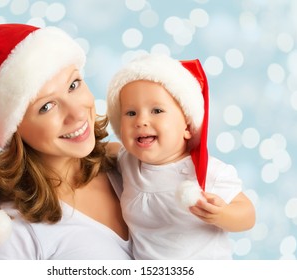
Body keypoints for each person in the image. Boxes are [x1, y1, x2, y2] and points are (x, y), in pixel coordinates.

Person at [0, 23, 132, 260]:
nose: (77, 113)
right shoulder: (13, 232)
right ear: (13, 130)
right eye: (46, 107)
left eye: (73, 84)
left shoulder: (128, 165)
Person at [106, 53, 256, 259]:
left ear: (187, 126)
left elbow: (248, 215)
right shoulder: (128, 162)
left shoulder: (206, 173)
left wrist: (222, 214)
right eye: (130, 113)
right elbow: (105, 150)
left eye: (157, 110)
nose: (141, 121)